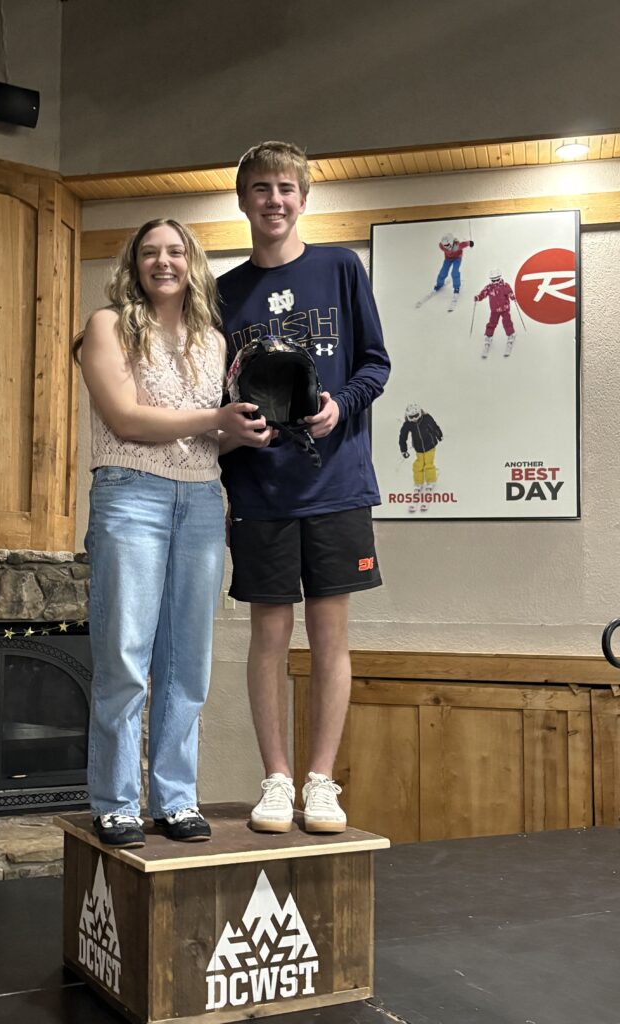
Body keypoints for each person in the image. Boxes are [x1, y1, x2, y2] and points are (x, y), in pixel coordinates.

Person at [77, 218, 270, 848]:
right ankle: (115, 802)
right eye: (150, 252)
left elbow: (205, 432)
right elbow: (126, 418)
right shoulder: (107, 325)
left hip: (201, 501)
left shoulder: (213, 340)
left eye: (175, 251)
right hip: (130, 494)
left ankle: (176, 798)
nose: (163, 261)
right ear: (133, 264)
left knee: (186, 662)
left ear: (192, 263)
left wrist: (236, 432)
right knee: (126, 658)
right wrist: (215, 418)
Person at [217, 141, 391, 834]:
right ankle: (276, 779)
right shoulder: (222, 292)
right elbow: (213, 390)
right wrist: (233, 429)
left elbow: (375, 364)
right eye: (261, 188)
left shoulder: (341, 268)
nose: (274, 200)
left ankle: (321, 781)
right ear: (243, 200)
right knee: (268, 635)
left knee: (330, 638)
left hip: (337, 483)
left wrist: (339, 406)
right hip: (260, 490)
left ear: (304, 197)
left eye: (286, 187)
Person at [399, 403, 444, 513]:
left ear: (420, 413)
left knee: (428, 464)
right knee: (418, 465)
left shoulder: (427, 418)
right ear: (407, 416)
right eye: (411, 417)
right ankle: (418, 482)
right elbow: (402, 437)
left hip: (430, 446)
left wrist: (439, 434)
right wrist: (403, 450)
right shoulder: (407, 424)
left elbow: (434, 426)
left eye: (416, 416)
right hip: (418, 449)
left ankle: (430, 481)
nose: (414, 419)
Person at [475, 269, 517, 358]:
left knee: (507, 322)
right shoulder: (489, 287)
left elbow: (509, 292)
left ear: (500, 278)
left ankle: (511, 335)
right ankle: (488, 337)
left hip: (504, 308)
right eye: (493, 280)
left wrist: (512, 296)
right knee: (492, 323)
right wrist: (478, 297)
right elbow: (483, 294)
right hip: (494, 310)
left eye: (497, 279)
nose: (495, 282)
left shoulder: (505, 286)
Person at [434, 232, 474, 297]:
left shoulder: (457, 246)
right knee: (443, 271)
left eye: (447, 245)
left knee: (454, 272)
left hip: (457, 258)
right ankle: (439, 284)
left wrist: (470, 243)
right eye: (444, 245)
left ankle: (456, 287)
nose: (446, 247)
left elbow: (464, 244)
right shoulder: (441, 246)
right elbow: (443, 246)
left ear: (451, 242)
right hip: (448, 259)